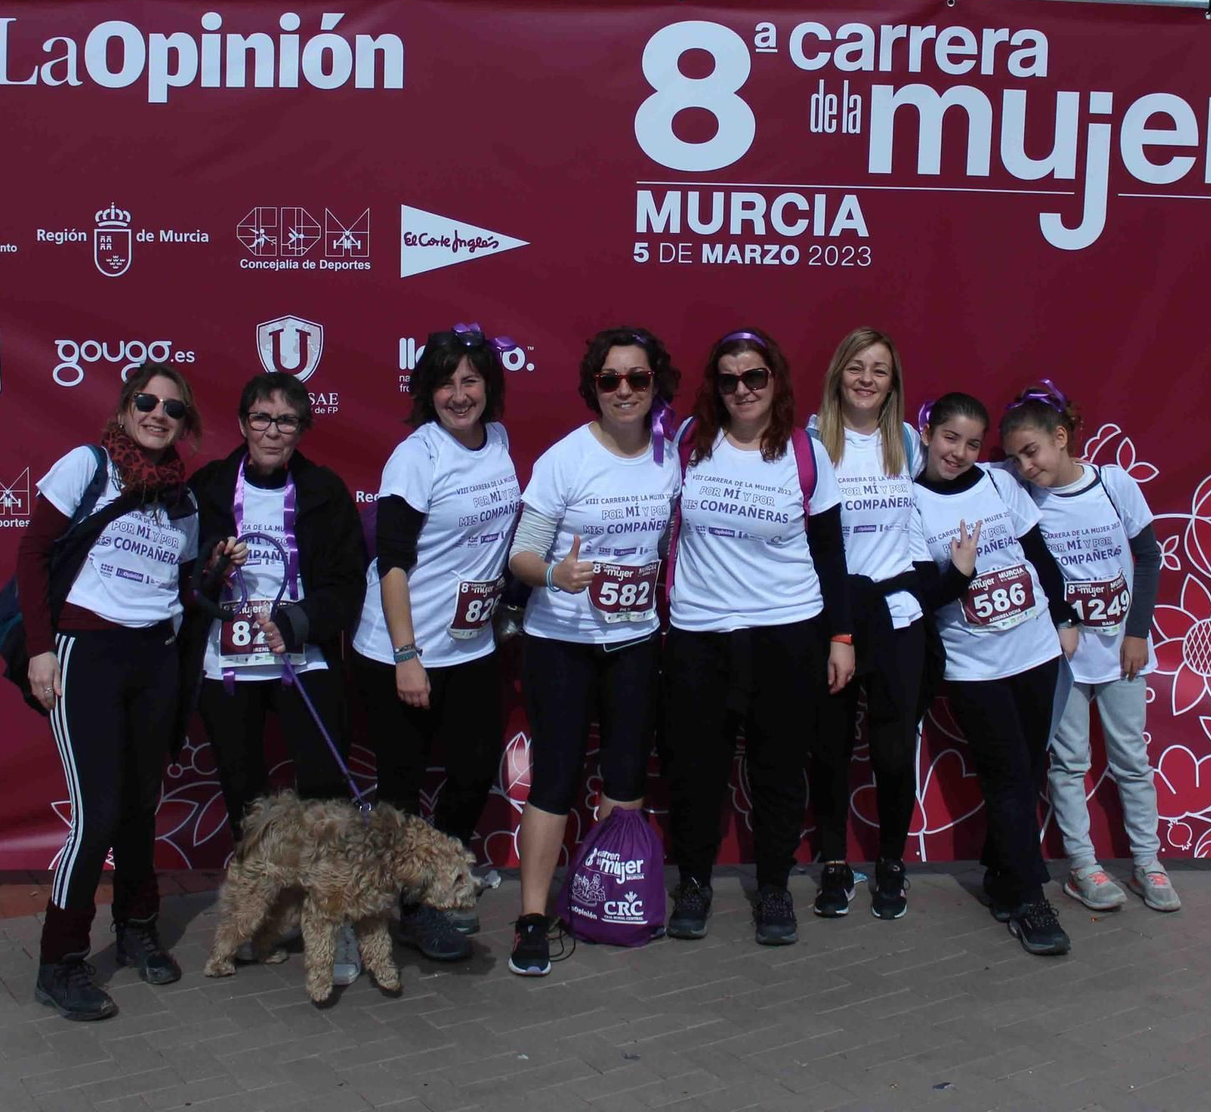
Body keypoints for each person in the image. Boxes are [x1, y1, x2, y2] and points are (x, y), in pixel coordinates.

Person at [15, 363, 209, 1021]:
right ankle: (60, 960)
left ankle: (136, 930)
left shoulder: (183, 499)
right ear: (127, 406)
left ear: (186, 424)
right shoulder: (86, 466)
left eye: (173, 409)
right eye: (147, 401)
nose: (159, 414)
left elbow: (178, 588)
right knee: (96, 815)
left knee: (137, 809)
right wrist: (41, 647)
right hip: (85, 654)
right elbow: (32, 554)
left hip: (153, 658)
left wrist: (211, 576)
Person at [661, 328, 853, 948]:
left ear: (776, 381)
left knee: (778, 771)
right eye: (728, 379)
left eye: (754, 377)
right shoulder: (689, 442)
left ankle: (774, 888)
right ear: (715, 386)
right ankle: (693, 883)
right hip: (701, 632)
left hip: (786, 631)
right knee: (696, 770)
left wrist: (841, 636)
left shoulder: (805, 452)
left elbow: (830, 553)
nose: (742, 388)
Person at [181, 371, 370, 981]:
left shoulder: (323, 490)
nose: (271, 430)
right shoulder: (209, 485)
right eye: (261, 418)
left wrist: (301, 619)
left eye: (286, 420)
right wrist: (212, 567)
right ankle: (260, 918)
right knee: (247, 799)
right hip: (227, 665)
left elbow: (347, 584)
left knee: (323, 802)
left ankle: (333, 923)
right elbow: (181, 579)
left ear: (301, 430)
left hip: (301, 660)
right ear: (241, 424)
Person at [505, 327, 681, 976]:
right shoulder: (565, 459)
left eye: (637, 377)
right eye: (611, 379)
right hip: (561, 643)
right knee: (554, 780)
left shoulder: (674, 454)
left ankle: (611, 900)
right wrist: (554, 575)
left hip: (635, 641)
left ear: (654, 383)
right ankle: (530, 917)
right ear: (594, 388)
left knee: (626, 781)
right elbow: (521, 553)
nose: (625, 390)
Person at [350, 324, 522, 964]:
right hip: (402, 645)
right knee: (400, 786)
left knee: (475, 771)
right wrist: (406, 655)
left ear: (489, 388)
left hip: (471, 643)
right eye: (446, 382)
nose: (459, 394)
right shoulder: (416, 456)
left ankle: (428, 884)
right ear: (428, 390)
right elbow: (392, 562)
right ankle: (408, 910)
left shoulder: (498, 442)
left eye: (471, 381)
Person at [999, 382, 1178, 914]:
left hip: (1121, 655)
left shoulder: (1114, 484)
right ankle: (1083, 866)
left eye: (1032, 451)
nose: (1026, 466)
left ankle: (1148, 862)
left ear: (1061, 437)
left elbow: (1148, 558)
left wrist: (1137, 632)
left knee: (1132, 759)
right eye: (1015, 458)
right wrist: (1060, 621)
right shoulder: (1021, 497)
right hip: (1065, 663)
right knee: (1068, 763)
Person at [913, 392, 1078, 956]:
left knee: (1028, 773)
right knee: (1007, 779)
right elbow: (923, 597)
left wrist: (1063, 614)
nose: (958, 452)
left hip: (1037, 655)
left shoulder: (1001, 484)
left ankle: (1001, 875)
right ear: (928, 433)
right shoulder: (911, 504)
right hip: (974, 670)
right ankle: (1031, 900)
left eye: (971, 443)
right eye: (949, 438)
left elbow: (1041, 554)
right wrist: (958, 574)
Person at [804, 327, 929, 921]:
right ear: (838, 374)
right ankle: (833, 863)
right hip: (831, 616)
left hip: (897, 616)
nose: (866, 379)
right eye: (856, 366)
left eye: (879, 370)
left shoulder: (906, 440)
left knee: (894, 750)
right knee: (828, 747)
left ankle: (890, 864)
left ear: (893, 383)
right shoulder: (809, 441)